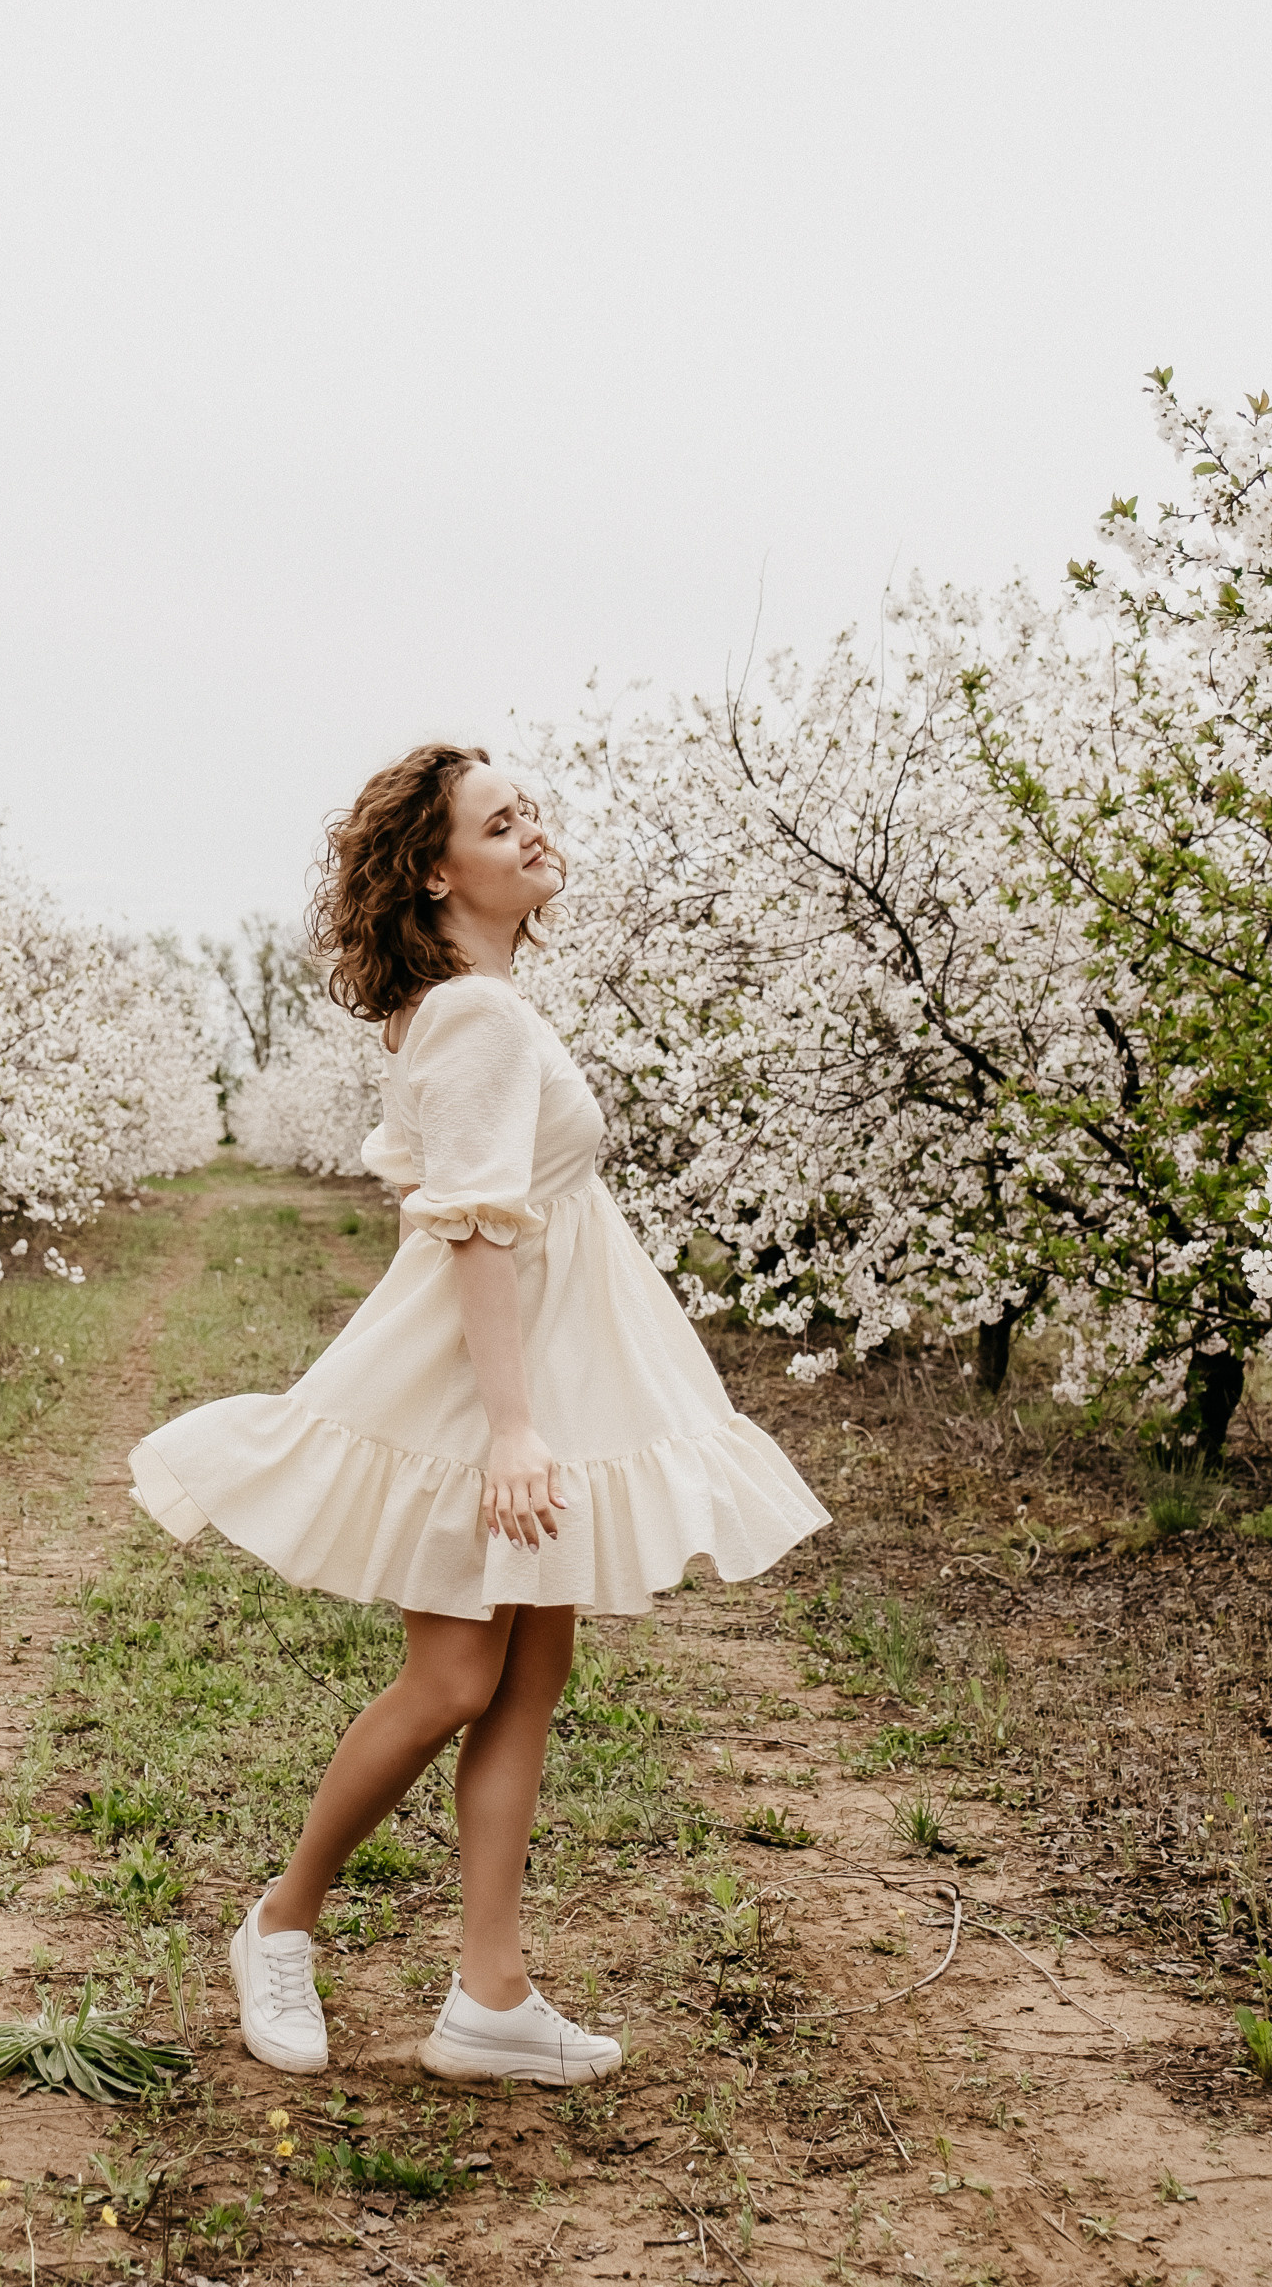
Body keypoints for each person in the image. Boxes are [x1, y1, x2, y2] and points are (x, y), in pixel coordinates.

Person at [129, 743, 829, 2086]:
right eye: (500, 824)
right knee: (454, 1676)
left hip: (543, 1370)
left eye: (532, 815)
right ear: (437, 869)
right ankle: (278, 1923)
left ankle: (490, 1998)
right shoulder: (478, 1016)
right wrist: (512, 1431)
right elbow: (472, 1232)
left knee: (530, 1674)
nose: (534, 835)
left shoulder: (486, 1004)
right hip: (481, 1380)